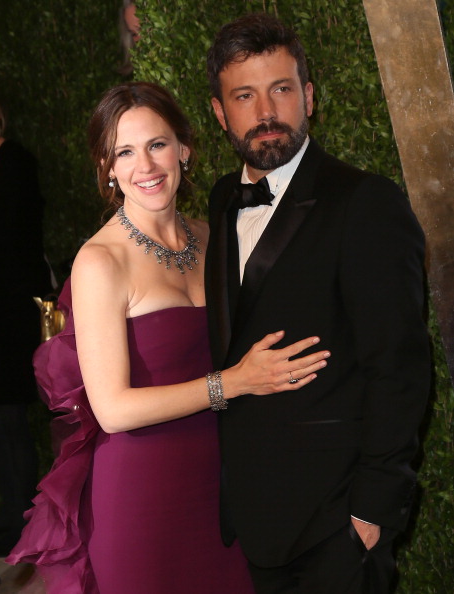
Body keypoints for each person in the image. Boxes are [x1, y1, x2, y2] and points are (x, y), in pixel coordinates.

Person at [7, 81, 330, 594]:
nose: (146, 167)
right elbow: (111, 409)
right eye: (125, 152)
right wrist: (233, 383)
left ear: (184, 148)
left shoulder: (212, 234)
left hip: (226, 493)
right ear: (108, 169)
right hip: (142, 498)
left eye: (157, 145)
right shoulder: (99, 261)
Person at [205, 13, 431, 594]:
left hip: (335, 528)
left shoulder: (365, 204)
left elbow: (400, 368)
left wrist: (370, 514)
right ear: (219, 112)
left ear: (307, 96)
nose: (265, 114)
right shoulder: (223, 200)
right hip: (255, 523)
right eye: (244, 96)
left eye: (281, 89)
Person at [0, 75, 52, 593]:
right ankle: (11, 523)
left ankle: (27, 528)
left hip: (9, 317)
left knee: (9, 422)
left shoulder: (15, 163)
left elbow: (16, 247)